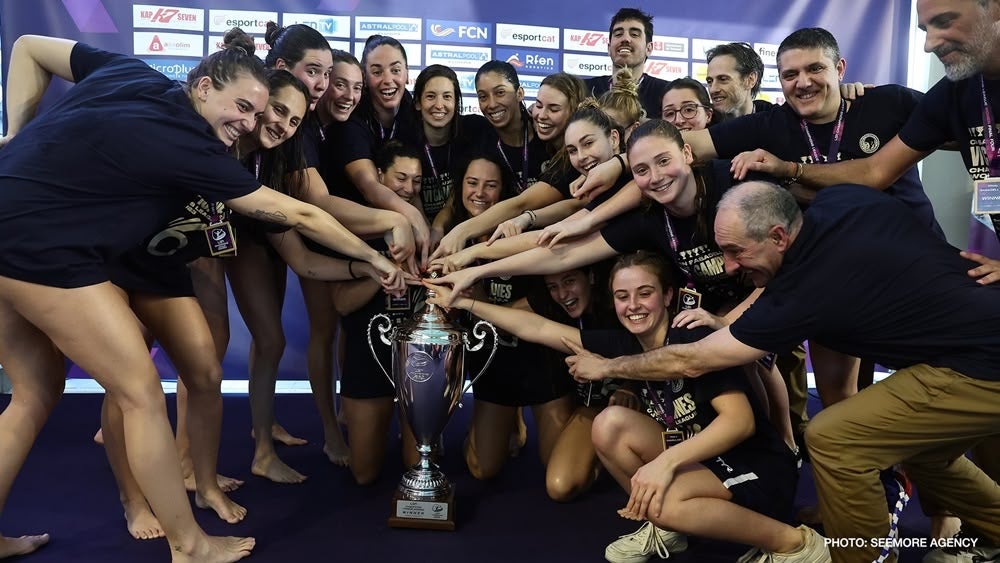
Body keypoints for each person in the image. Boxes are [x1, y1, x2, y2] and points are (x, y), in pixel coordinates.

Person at [0, 32, 403, 561]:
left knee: (35, 392)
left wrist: (15, 138)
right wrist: (374, 257)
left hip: (19, 217)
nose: (251, 123)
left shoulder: (135, 73)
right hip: (43, 246)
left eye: (262, 115)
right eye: (243, 108)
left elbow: (30, 46)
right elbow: (304, 214)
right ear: (205, 85)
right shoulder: (191, 144)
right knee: (140, 393)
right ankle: (187, 543)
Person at [563, 181, 1000, 563]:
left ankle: (857, 557)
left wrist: (608, 367)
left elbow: (691, 360)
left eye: (736, 252)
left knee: (833, 437)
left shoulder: (802, 291)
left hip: (980, 361)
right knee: (918, 449)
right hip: (968, 338)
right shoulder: (839, 204)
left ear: (778, 236)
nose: (730, 267)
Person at [431, 120, 796, 450]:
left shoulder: (729, 184)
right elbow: (557, 252)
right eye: (641, 170)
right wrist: (475, 264)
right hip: (703, 303)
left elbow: (785, 264)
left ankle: (783, 448)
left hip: (764, 292)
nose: (655, 177)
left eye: (663, 162)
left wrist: (732, 322)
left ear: (687, 152)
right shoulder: (649, 218)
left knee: (751, 359)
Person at [330, 141, 423, 485]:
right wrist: (383, 271)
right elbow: (340, 303)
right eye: (401, 178)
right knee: (364, 474)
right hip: (368, 358)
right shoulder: (354, 227)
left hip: (418, 360)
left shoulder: (424, 229)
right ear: (379, 175)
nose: (408, 189)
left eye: (416, 181)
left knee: (418, 465)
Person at [431, 72, 588, 256]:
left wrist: (461, 232)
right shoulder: (483, 136)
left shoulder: (576, 158)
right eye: (538, 105)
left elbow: (521, 203)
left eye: (553, 109)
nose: (541, 115)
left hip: (567, 252)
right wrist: (439, 224)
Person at [583, 8, 670, 121]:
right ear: (609, 48)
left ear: (648, 48)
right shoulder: (584, 89)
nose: (625, 39)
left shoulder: (667, 92)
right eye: (618, 34)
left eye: (634, 34)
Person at [705, 42, 772, 119]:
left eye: (723, 79)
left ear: (750, 80)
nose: (713, 89)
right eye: (710, 81)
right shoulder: (701, 125)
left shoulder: (776, 122)